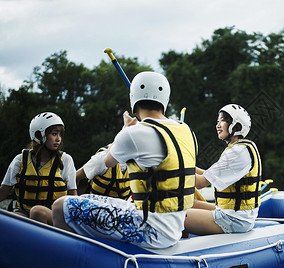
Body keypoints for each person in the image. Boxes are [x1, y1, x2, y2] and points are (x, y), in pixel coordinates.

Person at [52, 71, 197, 249]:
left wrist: (125, 128)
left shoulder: (133, 133)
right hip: (174, 225)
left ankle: (74, 264)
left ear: (133, 99)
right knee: (88, 197)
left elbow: (107, 161)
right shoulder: (187, 130)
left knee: (60, 206)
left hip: (150, 229)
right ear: (164, 100)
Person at [184, 104, 262, 235]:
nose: (218, 125)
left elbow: (200, 182)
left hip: (234, 219)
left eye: (223, 120)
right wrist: (187, 165)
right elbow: (208, 175)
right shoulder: (241, 148)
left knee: (173, 215)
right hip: (235, 214)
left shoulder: (237, 152)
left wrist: (172, 166)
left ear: (236, 126)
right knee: (191, 203)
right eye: (217, 121)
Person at [0, 112, 77, 224]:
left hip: (53, 217)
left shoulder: (66, 160)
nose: (58, 139)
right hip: (24, 213)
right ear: (38, 135)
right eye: (54, 134)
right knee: (10, 219)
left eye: (60, 135)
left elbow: (73, 196)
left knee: (38, 212)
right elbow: (3, 192)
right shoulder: (20, 160)